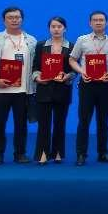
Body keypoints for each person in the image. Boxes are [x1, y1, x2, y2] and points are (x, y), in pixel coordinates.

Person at [0, 6, 37, 165]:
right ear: (4, 20)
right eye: (10, 17)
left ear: (22, 19)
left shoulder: (31, 40)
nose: (14, 20)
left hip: (23, 90)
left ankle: (20, 154)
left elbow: (36, 64)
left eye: (17, 17)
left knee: (21, 124)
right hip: (0, 89)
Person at [69, 10, 108, 166]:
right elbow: (72, 60)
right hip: (87, 84)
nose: (98, 22)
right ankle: (81, 154)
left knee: (103, 121)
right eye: (95, 20)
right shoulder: (82, 40)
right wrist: (81, 72)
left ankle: (103, 153)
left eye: (101, 20)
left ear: (106, 23)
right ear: (90, 23)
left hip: (105, 84)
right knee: (84, 120)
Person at [31, 17, 74, 164]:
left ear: (65, 29)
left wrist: (68, 76)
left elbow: (74, 70)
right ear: (49, 28)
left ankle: (58, 152)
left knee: (60, 123)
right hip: (44, 89)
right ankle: (42, 153)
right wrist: (37, 78)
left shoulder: (71, 46)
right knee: (44, 124)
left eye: (59, 26)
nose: (56, 29)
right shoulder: (40, 45)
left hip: (63, 89)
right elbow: (35, 67)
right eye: (53, 26)